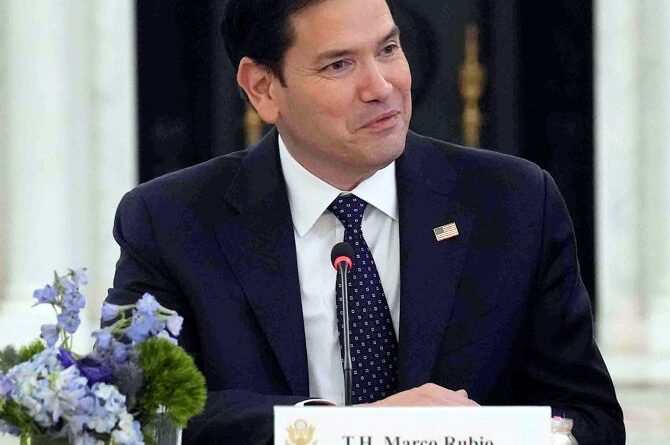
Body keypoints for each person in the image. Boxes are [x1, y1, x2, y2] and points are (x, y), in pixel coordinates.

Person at [106, 0, 625, 443]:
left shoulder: (514, 204)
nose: (382, 86)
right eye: (339, 65)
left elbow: (590, 418)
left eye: (389, 49)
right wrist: (343, 430)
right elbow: (135, 406)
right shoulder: (169, 221)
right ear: (262, 88)